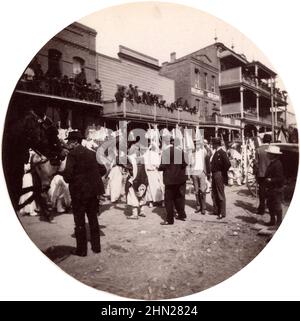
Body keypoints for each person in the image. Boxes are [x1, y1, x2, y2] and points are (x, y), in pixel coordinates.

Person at [62, 131, 107, 256]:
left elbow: (68, 176)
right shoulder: (93, 153)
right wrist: (92, 179)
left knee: (80, 221)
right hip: (93, 192)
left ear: (75, 141)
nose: (68, 143)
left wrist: (65, 175)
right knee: (93, 219)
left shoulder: (72, 155)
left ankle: (81, 250)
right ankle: (96, 247)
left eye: (69, 141)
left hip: (79, 193)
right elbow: (103, 170)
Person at [159, 137, 187, 225]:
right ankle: (182, 215)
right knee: (179, 197)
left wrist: (158, 168)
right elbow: (184, 164)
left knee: (169, 199)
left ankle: (170, 220)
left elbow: (163, 166)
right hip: (180, 179)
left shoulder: (166, 152)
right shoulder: (180, 151)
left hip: (170, 180)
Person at [210, 137, 231, 219]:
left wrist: (222, 172)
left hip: (219, 174)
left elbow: (228, 164)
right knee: (214, 193)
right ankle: (216, 210)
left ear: (216, 144)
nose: (212, 145)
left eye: (213, 144)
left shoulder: (222, 152)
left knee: (220, 193)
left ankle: (222, 212)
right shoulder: (216, 152)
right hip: (215, 174)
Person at [264, 145, 284, 227]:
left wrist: (271, 180)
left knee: (277, 205)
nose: (267, 155)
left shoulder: (278, 164)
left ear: (273, 155)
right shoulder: (273, 163)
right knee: (269, 204)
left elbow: (280, 178)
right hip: (271, 188)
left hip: (276, 188)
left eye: (269, 153)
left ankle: (279, 223)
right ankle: (272, 220)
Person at [190, 137, 210, 215]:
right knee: (196, 191)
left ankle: (203, 208)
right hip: (194, 173)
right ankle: (198, 207)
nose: (196, 145)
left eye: (198, 143)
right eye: (195, 143)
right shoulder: (192, 152)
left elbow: (208, 156)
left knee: (202, 190)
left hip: (202, 172)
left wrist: (207, 173)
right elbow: (190, 163)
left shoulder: (204, 151)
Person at [255, 134, 272, 214]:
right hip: (271, 175)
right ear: (270, 141)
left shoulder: (258, 149)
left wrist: (256, 173)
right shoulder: (272, 149)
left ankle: (261, 209)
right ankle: (271, 209)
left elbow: (256, 163)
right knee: (271, 191)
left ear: (263, 140)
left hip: (261, 174)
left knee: (261, 192)